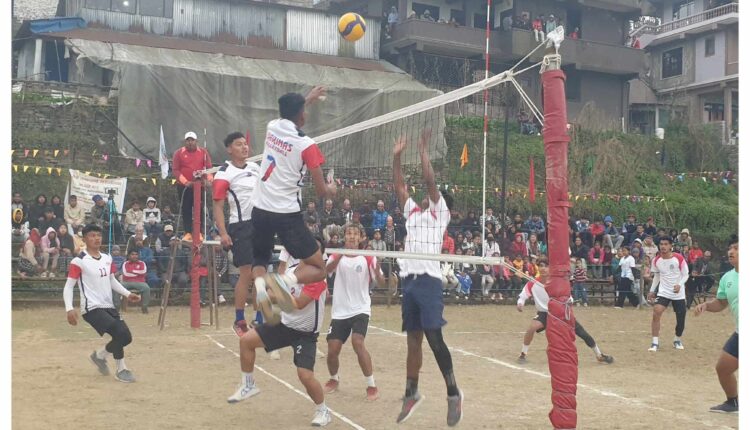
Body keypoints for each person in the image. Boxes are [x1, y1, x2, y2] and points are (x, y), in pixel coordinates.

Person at [392, 129, 462, 426]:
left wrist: (422, 151)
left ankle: (453, 392)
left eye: (432, 196)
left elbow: (430, 182)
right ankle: (412, 392)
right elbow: (399, 187)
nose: (426, 196)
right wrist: (396, 158)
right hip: (409, 281)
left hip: (428, 280)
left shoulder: (439, 213)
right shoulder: (412, 214)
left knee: (434, 336)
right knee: (413, 340)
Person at [227, 238, 332, 427]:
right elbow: (267, 297)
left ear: (320, 255)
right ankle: (248, 384)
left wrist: (274, 292)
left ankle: (323, 410)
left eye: (316, 250)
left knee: (305, 376)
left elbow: (299, 303)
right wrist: (264, 289)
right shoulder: (291, 271)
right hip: (284, 324)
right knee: (246, 341)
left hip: (305, 333)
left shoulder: (318, 277)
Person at [250, 87, 335, 303]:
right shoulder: (306, 145)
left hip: (260, 208)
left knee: (260, 259)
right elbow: (321, 191)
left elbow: (290, 114)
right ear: (301, 114)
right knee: (319, 268)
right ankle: (281, 283)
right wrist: (331, 188)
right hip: (286, 214)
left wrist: (308, 99)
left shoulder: (272, 127)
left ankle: (261, 298)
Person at [63, 224, 141, 383]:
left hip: (108, 306)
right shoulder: (79, 261)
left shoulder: (107, 257)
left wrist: (127, 294)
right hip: (91, 308)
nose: (96, 238)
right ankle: (121, 370)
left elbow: (112, 280)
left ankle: (99, 356)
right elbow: (69, 286)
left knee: (126, 337)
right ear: (84, 239)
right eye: (92, 235)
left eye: (98, 235)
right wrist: (69, 308)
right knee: (119, 332)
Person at [323, 223, 385, 401]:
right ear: (345, 237)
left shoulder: (368, 257)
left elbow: (381, 282)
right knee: (333, 349)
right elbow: (326, 271)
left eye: (355, 233)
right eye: (349, 233)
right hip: (340, 311)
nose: (351, 236)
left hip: (361, 308)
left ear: (361, 238)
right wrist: (340, 255)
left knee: (357, 342)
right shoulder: (336, 255)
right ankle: (334, 379)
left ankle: (371, 385)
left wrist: (379, 272)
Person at [516, 258, 613, 364]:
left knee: (582, 333)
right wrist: (520, 303)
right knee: (532, 328)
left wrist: (570, 300)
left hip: (561, 311)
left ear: (550, 268)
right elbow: (523, 296)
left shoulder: (557, 282)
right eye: (540, 266)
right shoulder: (532, 283)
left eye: (546, 266)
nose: (543, 268)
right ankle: (523, 354)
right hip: (544, 313)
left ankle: (599, 355)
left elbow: (568, 296)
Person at [212, 131, 262, 335]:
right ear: (229, 149)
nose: (244, 147)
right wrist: (223, 233)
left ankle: (259, 319)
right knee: (246, 273)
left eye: (245, 144)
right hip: (240, 225)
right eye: (239, 144)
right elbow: (218, 206)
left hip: (261, 223)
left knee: (261, 273)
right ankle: (239, 319)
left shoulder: (255, 168)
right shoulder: (224, 173)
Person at [694, 245, 738, 414]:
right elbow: (721, 303)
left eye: (737, 249)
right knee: (723, 368)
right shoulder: (727, 277)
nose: (731, 252)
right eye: (730, 250)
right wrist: (706, 305)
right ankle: (733, 402)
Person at [647, 236, 689, 351]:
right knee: (656, 312)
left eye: (666, 244)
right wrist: (652, 290)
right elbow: (657, 276)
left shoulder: (678, 258)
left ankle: (677, 339)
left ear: (671, 246)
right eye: (661, 244)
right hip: (663, 292)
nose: (663, 246)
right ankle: (654, 342)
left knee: (681, 318)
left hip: (678, 293)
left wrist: (679, 284)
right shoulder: (656, 260)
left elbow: (685, 274)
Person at [173, 130, 214, 242]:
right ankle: (187, 232)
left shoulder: (203, 152)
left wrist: (209, 180)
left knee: (199, 208)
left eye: (192, 140)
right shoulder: (179, 153)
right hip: (184, 186)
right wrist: (186, 182)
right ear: (185, 142)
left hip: (199, 186)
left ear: (196, 141)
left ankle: (199, 232)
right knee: (186, 208)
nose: (190, 142)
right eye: (188, 140)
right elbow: (176, 170)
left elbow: (209, 168)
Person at [121, 250, 152, 314]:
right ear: (129, 256)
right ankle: (116, 308)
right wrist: (138, 273)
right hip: (126, 282)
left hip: (140, 282)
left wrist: (132, 271)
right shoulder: (125, 263)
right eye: (132, 254)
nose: (134, 256)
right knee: (117, 287)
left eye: (136, 254)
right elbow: (126, 274)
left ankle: (144, 308)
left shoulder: (142, 263)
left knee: (146, 288)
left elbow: (143, 272)